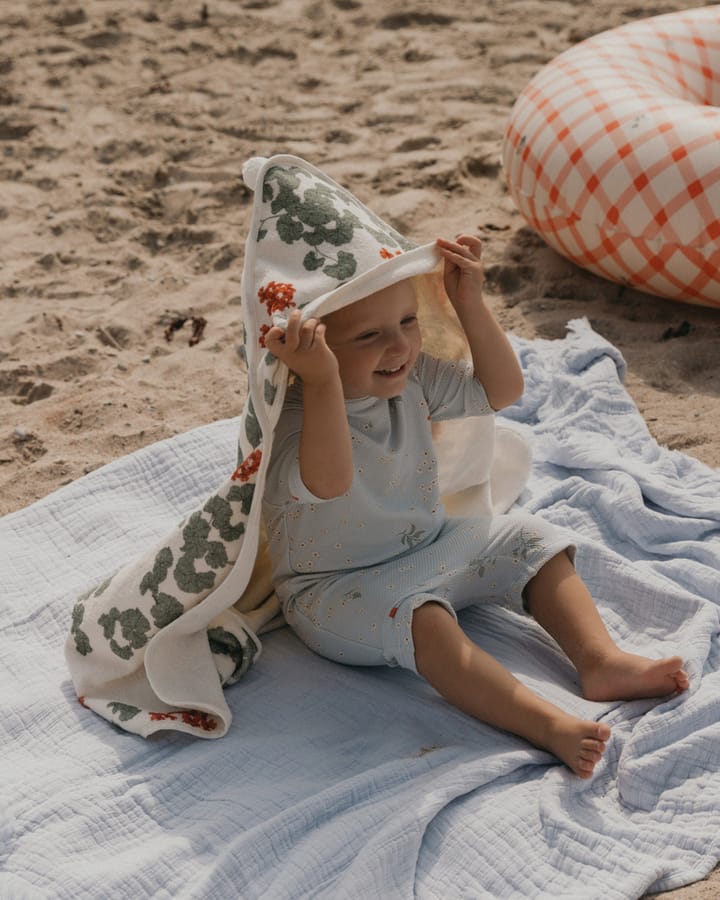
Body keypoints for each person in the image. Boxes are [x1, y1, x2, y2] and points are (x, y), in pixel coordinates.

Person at [261, 233, 689, 778]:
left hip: (429, 545)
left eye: (408, 322)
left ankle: (599, 661)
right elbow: (331, 481)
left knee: (528, 534)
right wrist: (321, 380)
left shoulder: (408, 380)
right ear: (309, 351)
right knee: (429, 622)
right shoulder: (295, 415)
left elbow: (500, 390)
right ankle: (543, 723)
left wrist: (468, 304)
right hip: (339, 589)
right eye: (370, 335)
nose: (399, 347)